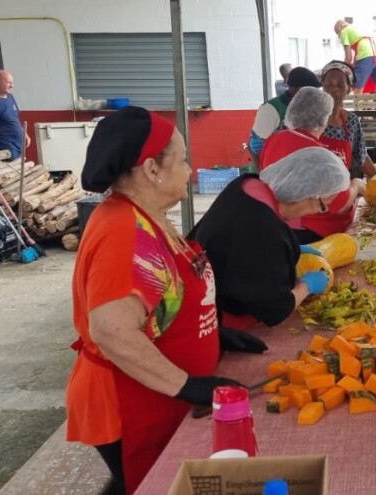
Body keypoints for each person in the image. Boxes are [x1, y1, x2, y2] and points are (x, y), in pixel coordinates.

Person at [67, 106, 242, 494]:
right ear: (151, 169)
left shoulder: (148, 215)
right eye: (182, 159)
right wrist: (186, 386)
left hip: (152, 391)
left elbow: (164, 296)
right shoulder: (124, 232)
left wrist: (210, 331)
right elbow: (111, 331)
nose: (190, 169)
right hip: (130, 402)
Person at [188, 147, 347, 334]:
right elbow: (276, 310)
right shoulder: (268, 230)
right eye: (322, 206)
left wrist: (290, 249)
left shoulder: (247, 184)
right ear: (305, 194)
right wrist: (307, 286)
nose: (317, 212)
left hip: (200, 283)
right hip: (217, 318)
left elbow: (245, 245)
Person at [261, 86, 367, 242]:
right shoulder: (322, 158)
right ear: (324, 119)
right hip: (315, 234)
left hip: (281, 228)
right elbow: (340, 204)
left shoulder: (274, 140)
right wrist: (356, 185)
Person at [318, 61, 376, 179]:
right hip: (311, 191)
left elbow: (361, 157)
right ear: (323, 87)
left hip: (342, 191)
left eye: (340, 85)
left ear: (348, 89)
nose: (334, 89)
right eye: (328, 84)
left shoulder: (352, 121)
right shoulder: (308, 117)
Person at [248, 67, 323, 166]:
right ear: (296, 89)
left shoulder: (308, 108)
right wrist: (263, 175)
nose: (315, 96)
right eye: (312, 92)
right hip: (270, 170)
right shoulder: (272, 109)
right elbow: (255, 150)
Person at [334, 19, 376, 94]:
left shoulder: (344, 31)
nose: (339, 36)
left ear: (341, 25)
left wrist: (343, 72)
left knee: (357, 89)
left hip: (365, 57)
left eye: (338, 33)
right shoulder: (361, 27)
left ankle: (359, 105)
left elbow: (348, 58)